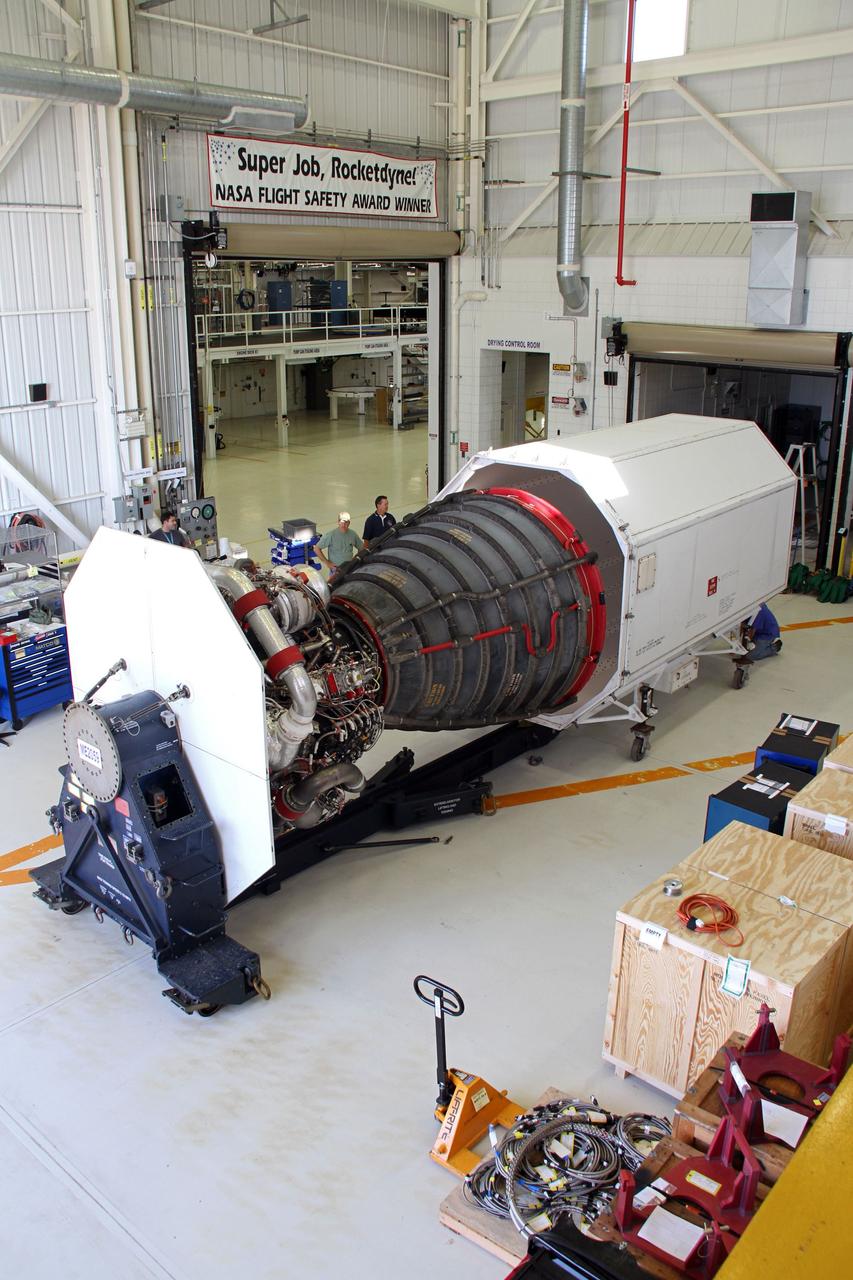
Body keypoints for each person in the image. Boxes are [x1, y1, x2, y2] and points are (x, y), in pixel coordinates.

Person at [316, 512, 362, 578]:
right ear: (338, 522)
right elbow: (317, 548)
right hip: (336, 569)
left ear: (349, 523)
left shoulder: (353, 534)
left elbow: (361, 547)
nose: (343, 524)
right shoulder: (331, 535)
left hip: (349, 568)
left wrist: (355, 560)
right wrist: (327, 563)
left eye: (346, 522)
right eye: (342, 522)